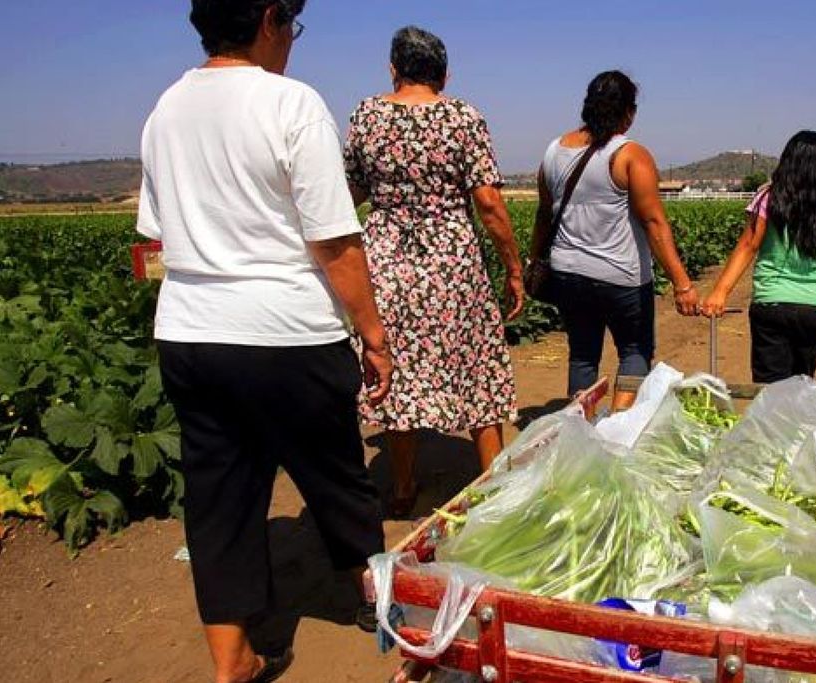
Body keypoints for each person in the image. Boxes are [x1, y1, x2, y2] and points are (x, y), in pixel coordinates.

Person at [137, 2, 393, 681]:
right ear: (270, 19)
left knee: (218, 496)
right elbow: (334, 239)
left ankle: (234, 660)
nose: (291, 43)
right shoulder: (291, 103)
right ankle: (374, 596)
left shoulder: (165, 110)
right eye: (291, 27)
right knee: (335, 472)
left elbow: (156, 233)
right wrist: (373, 334)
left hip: (190, 334)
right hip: (286, 333)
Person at [343, 26, 524, 517]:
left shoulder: (367, 115)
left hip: (387, 264)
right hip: (452, 264)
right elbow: (489, 203)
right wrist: (513, 268)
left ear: (393, 69)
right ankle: (493, 491)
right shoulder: (463, 117)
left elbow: (350, 194)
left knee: (394, 372)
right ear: (444, 75)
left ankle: (403, 489)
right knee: (478, 368)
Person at [530, 71, 700, 411]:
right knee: (635, 350)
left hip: (568, 273)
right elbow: (654, 222)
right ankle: (620, 424)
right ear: (629, 112)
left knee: (582, 355)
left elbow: (543, 215)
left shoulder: (553, 151)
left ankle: (581, 426)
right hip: (622, 276)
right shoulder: (630, 154)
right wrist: (682, 283)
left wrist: (534, 259)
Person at [702, 130, 816, 383]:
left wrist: (720, 292)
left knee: (769, 389)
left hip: (772, 304)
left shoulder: (769, 198)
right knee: (801, 385)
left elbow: (748, 245)